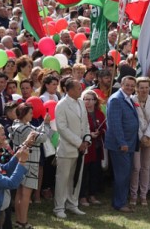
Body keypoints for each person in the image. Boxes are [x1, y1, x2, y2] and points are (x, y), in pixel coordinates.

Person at [54, 79, 91, 219]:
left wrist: (86, 139)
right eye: (77, 88)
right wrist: (78, 142)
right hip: (67, 149)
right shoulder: (61, 105)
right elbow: (62, 128)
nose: (80, 91)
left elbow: (85, 123)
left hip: (81, 149)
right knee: (63, 179)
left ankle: (72, 204)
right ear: (68, 90)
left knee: (76, 178)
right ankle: (59, 207)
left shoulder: (81, 102)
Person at [9, 104, 50, 227]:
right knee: (26, 194)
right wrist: (47, 125)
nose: (32, 115)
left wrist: (43, 123)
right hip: (29, 163)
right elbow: (42, 137)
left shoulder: (18, 125)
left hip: (20, 162)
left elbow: (36, 130)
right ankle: (23, 221)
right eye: (30, 113)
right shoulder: (25, 129)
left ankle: (18, 220)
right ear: (24, 113)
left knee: (19, 193)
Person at [105, 76, 140, 213]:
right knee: (122, 175)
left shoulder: (128, 98)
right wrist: (122, 142)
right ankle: (119, 203)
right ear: (121, 85)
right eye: (127, 85)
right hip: (121, 145)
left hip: (129, 143)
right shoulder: (116, 99)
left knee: (125, 174)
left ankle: (121, 201)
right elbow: (115, 124)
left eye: (132, 85)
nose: (130, 88)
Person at [129, 77, 150, 206]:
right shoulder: (131, 100)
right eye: (141, 87)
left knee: (146, 167)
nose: (144, 90)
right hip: (135, 138)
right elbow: (133, 120)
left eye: (147, 87)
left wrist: (147, 136)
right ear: (136, 88)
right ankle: (133, 195)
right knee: (136, 167)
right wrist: (140, 136)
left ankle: (143, 195)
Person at [79, 89, 106, 207]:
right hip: (86, 148)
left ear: (95, 101)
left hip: (97, 147)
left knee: (95, 172)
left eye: (91, 99)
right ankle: (82, 196)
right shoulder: (80, 113)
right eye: (86, 99)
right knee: (84, 173)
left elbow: (104, 128)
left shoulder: (100, 113)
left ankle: (92, 195)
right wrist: (89, 134)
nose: (89, 102)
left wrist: (100, 132)